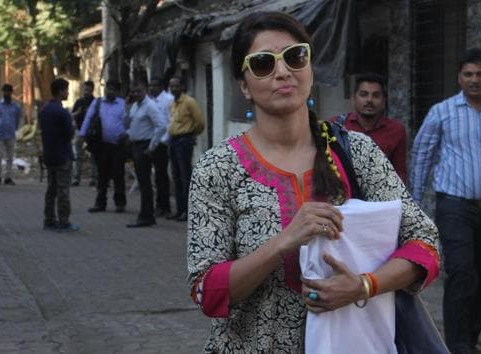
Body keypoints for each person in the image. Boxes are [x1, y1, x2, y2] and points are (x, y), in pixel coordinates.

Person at [186, 12, 440, 353]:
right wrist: (282, 243)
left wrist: (365, 286)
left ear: (309, 67)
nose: (282, 71)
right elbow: (207, 290)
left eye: (295, 56)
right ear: (244, 85)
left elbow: (424, 242)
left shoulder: (357, 152)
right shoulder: (217, 169)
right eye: (263, 63)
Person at [410, 48, 481, 354]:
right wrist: (414, 206)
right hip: (455, 206)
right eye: (468, 74)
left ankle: (469, 339)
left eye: (480, 74)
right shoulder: (442, 112)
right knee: (461, 272)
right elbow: (422, 156)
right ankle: (457, 346)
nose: (474, 80)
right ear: (459, 77)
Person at [329, 72, 409, 183]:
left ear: (384, 101)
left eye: (376, 95)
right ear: (353, 98)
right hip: (344, 194)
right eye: (363, 94)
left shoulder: (396, 131)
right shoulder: (336, 126)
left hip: (381, 196)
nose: (369, 100)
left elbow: (400, 173)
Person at [79, 80, 127, 213]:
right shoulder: (98, 102)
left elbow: (129, 121)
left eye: (112, 89)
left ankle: (120, 203)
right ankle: (100, 203)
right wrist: (82, 134)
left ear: (117, 92)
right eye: (107, 88)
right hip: (101, 145)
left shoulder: (123, 104)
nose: (109, 91)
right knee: (102, 175)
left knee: (118, 174)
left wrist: (127, 134)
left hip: (118, 145)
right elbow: (88, 118)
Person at [124, 81, 166, 228]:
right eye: (133, 92)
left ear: (145, 91)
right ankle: (146, 215)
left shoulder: (150, 106)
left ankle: (146, 216)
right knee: (143, 182)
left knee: (145, 183)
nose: (136, 94)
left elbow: (161, 126)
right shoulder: (135, 105)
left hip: (144, 147)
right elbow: (130, 124)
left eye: (139, 91)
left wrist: (152, 146)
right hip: (135, 145)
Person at [39, 78, 78, 232]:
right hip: (62, 155)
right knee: (63, 190)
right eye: (66, 90)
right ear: (61, 91)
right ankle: (64, 221)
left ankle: (49, 220)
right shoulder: (62, 112)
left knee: (51, 189)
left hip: (49, 154)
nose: (67, 93)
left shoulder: (44, 110)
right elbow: (69, 133)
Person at [166, 77, 205, 222]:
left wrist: (190, 135)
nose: (173, 89)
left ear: (182, 87)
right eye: (171, 86)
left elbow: (200, 122)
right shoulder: (173, 103)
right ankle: (180, 209)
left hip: (183, 141)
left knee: (185, 177)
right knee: (175, 177)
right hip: (173, 141)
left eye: (176, 86)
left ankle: (189, 212)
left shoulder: (189, 101)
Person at [147, 77, 174, 217]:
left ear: (161, 87)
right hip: (150, 142)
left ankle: (165, 206)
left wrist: (164, 141)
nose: (152, 88)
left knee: (162, 175)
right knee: (155, 176)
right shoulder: (149, 101)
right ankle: (157, 205)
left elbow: (171, 122)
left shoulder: (169, 100)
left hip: (162, 143)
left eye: (155, 85)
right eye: (150, 85)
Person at [0, 84, 22, 185]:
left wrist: (14, 129)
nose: (6, 93)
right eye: (5, 91)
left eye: (8, 91)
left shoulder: (16, 107)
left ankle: (8, 177)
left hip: (10, 134)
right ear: (2, 92)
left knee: (10, 157)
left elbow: (17, 119)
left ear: (11, 93)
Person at [71, 80, 97, 187]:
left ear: (92, 90)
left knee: (93, 156)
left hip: (92, 132)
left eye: (89, 90)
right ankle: (76, 178)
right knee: (78, 155)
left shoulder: (95, 102)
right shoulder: (79, 102)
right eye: (85, 89)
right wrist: (78, 113)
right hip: (79, 131)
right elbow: (72, 115)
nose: (86, 91)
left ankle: (92, 178)